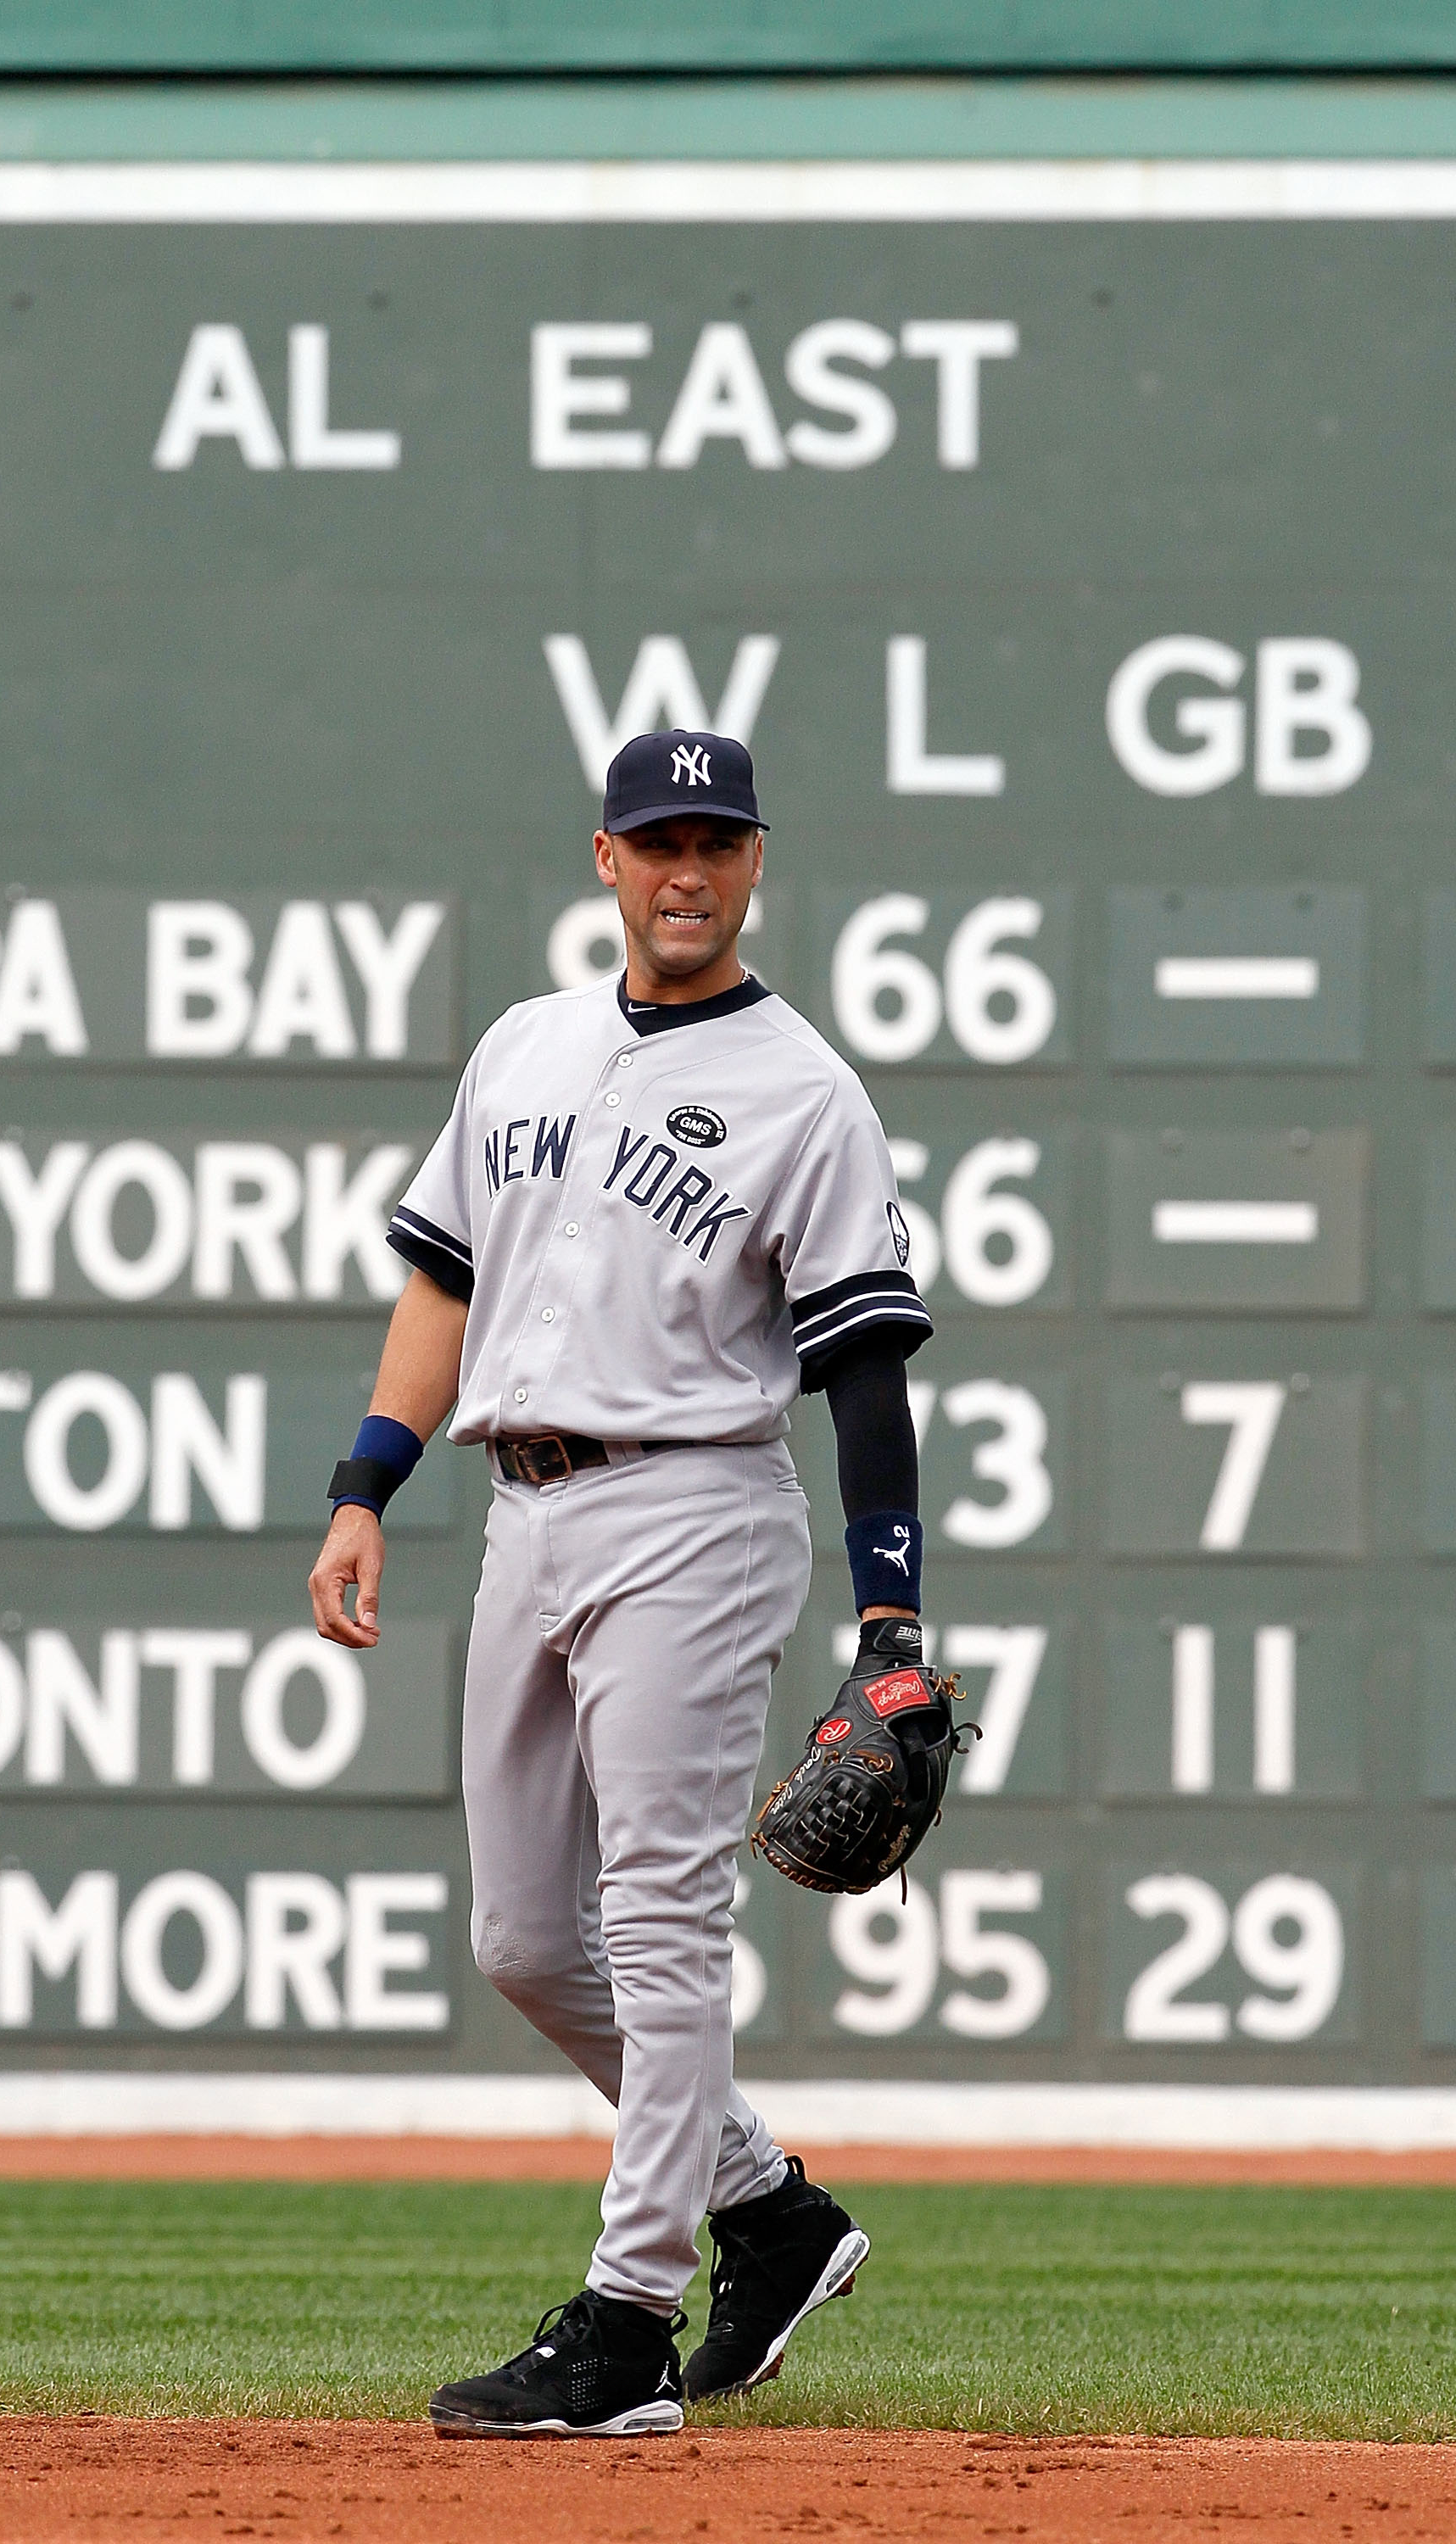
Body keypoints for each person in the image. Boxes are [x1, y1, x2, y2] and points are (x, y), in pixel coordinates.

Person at [309, 727, 931, 2437]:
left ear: (753, 864)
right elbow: (439, 1286)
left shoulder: (806, 1090)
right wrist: (368, 1482)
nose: (684, 870)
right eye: (655, 840)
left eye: (715, 842)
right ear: (605, 859)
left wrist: (892, 1621)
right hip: (522, 1505)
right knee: (522, 1938)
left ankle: (625, 2325)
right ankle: (774, 2213)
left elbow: (865, 1361)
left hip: (695, 1511)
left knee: (660, 1919)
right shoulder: (524, 1049)